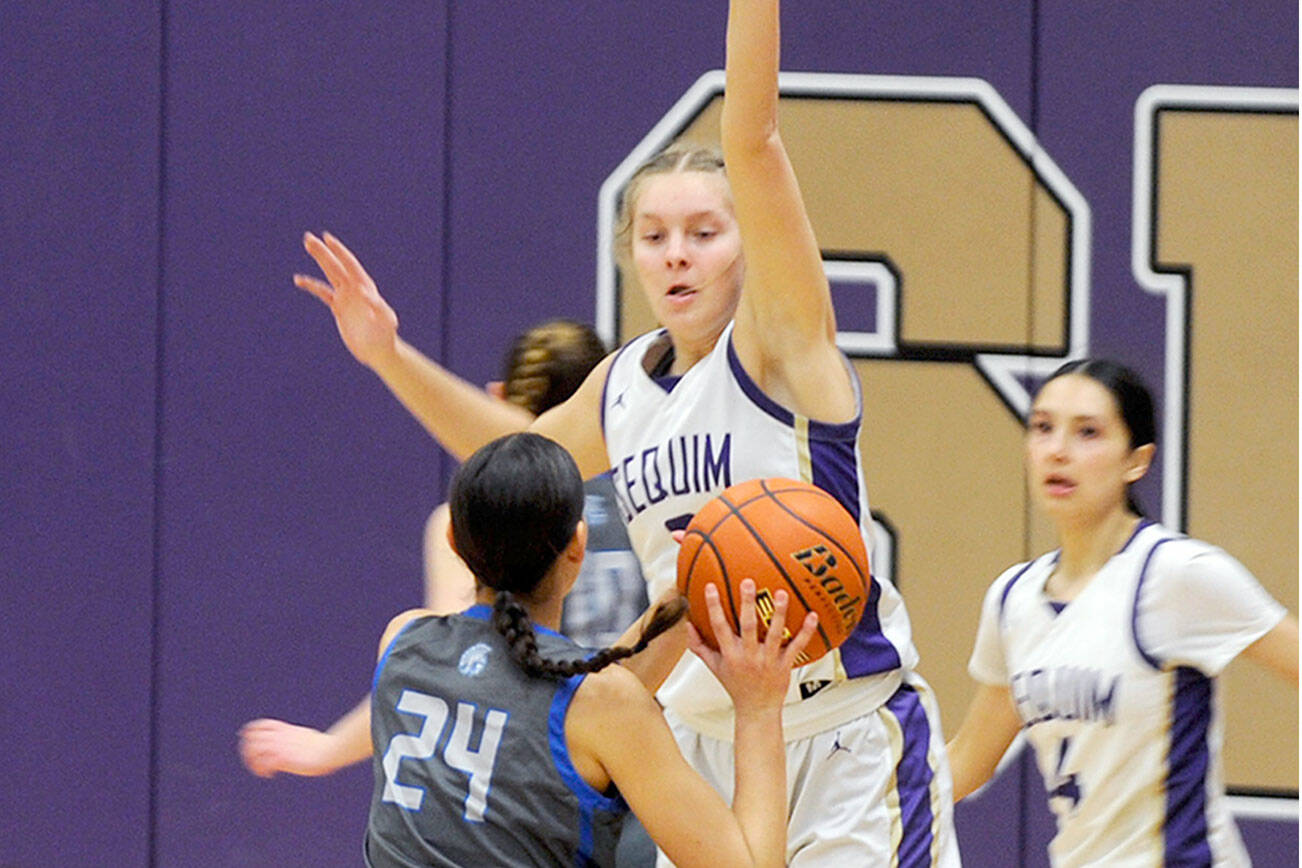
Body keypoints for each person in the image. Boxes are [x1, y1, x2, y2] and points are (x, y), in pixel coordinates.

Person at [292, 0, 959, 863]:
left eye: (704, 233)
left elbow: (751, 141)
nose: (676, 253)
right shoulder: (626, 387)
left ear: (747, 244)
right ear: (631, 253)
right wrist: (388, 356)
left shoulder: (783, 349)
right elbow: (506, 456)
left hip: (841, 737)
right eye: (655, 236)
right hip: (701, 736)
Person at [364, 431, 817, 867]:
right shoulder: (603, 707)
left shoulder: (402, 642)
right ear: (578, 546)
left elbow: (572, 709)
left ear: (454, 544)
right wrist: (759, 707)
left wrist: (687, 594)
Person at [240, 319, 647, 779]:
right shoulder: (650, 493)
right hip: (646, 752)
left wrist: (330, 748)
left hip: (536, 767)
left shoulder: (468, 523)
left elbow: (442, 673)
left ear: (494, 398)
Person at [945, 358, 1298, 867]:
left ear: (1137, 460)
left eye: (1087, 432)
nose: (1058, 450)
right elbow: (967, 762)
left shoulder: (1176, 574)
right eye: (1042, 427)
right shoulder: (1013, 598)